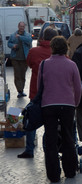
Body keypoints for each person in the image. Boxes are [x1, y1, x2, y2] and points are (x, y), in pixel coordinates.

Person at [38, 36, 82, 183]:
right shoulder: (71, 65)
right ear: (65, 48)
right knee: (68, 137)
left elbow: (40, 87)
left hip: (48, 106)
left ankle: (53, 174)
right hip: (67, 105)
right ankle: (70, 170)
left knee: (50, 140)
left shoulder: (44, 65)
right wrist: (75, 103)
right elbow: (77, 87)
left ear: (52, 48)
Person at [18, 27, 58, 159]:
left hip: (36, 92)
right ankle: (50, 148)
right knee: (51, 123)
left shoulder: (34, 51)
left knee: (31, 121)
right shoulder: (57, 52)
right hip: (53, 94)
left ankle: (29, 149)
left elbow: (29, 64)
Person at [8, 21, 32, 98]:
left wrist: (20, 37)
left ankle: (22, 90)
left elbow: (29, 41)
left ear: (24, 27)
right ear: (18, 26)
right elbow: (9, 43)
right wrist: (13, 45)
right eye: (20, 26)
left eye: (23, 26)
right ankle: (19, 91)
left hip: (24, 59)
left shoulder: (27, 35)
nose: (21, 28)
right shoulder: (13, 35)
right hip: (15, 58)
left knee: (23, 75)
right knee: (17, 75)